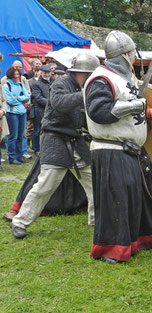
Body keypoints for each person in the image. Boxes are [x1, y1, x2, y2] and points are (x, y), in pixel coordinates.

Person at [84, 31, 152, 263]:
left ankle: (147, 238)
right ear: (123, 54)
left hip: (130, 149)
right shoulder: (101, 78)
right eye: (131, 54)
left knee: (140, 196)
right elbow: (99, 112)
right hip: (110, 149)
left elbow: (132, 114)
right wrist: (135, 105)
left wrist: (147, 113)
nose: (133, 58)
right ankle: (112, 248)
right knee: (117, 200)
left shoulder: (124, 77)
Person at [9, 54, 100, 239]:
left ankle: (97, 221)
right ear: (80, 73)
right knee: (45, 186)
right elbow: (59, 104)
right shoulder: (61, 84)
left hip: (76, 143)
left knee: (94, 184)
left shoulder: (84, 87)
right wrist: (84, 95)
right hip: (56, 141)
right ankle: (19, 221)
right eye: (89, 74)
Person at [3, 66, 30, 164]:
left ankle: (19, 156)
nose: (16, 77)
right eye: (15, 75)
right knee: (12, 136)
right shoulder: (6, 86)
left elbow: (27, 96)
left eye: (18, 74)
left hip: (22, 112)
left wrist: (17, 98)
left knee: (20, 135)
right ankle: (11, 157)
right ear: (10, 76)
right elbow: (9, 100)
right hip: (12, 113)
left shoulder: (21, 85)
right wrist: (21, 99)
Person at [31, 64, 53, 155]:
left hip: (50, 110)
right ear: (41, 73)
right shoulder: (36, 84)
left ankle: (47, 147)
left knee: (49, 130)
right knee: (37, 130)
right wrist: (51, 103)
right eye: (45, 73)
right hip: (39, 110)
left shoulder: (53, 82)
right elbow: (38, 98)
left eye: (48, 73)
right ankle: (36, 149)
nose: (47, 75)